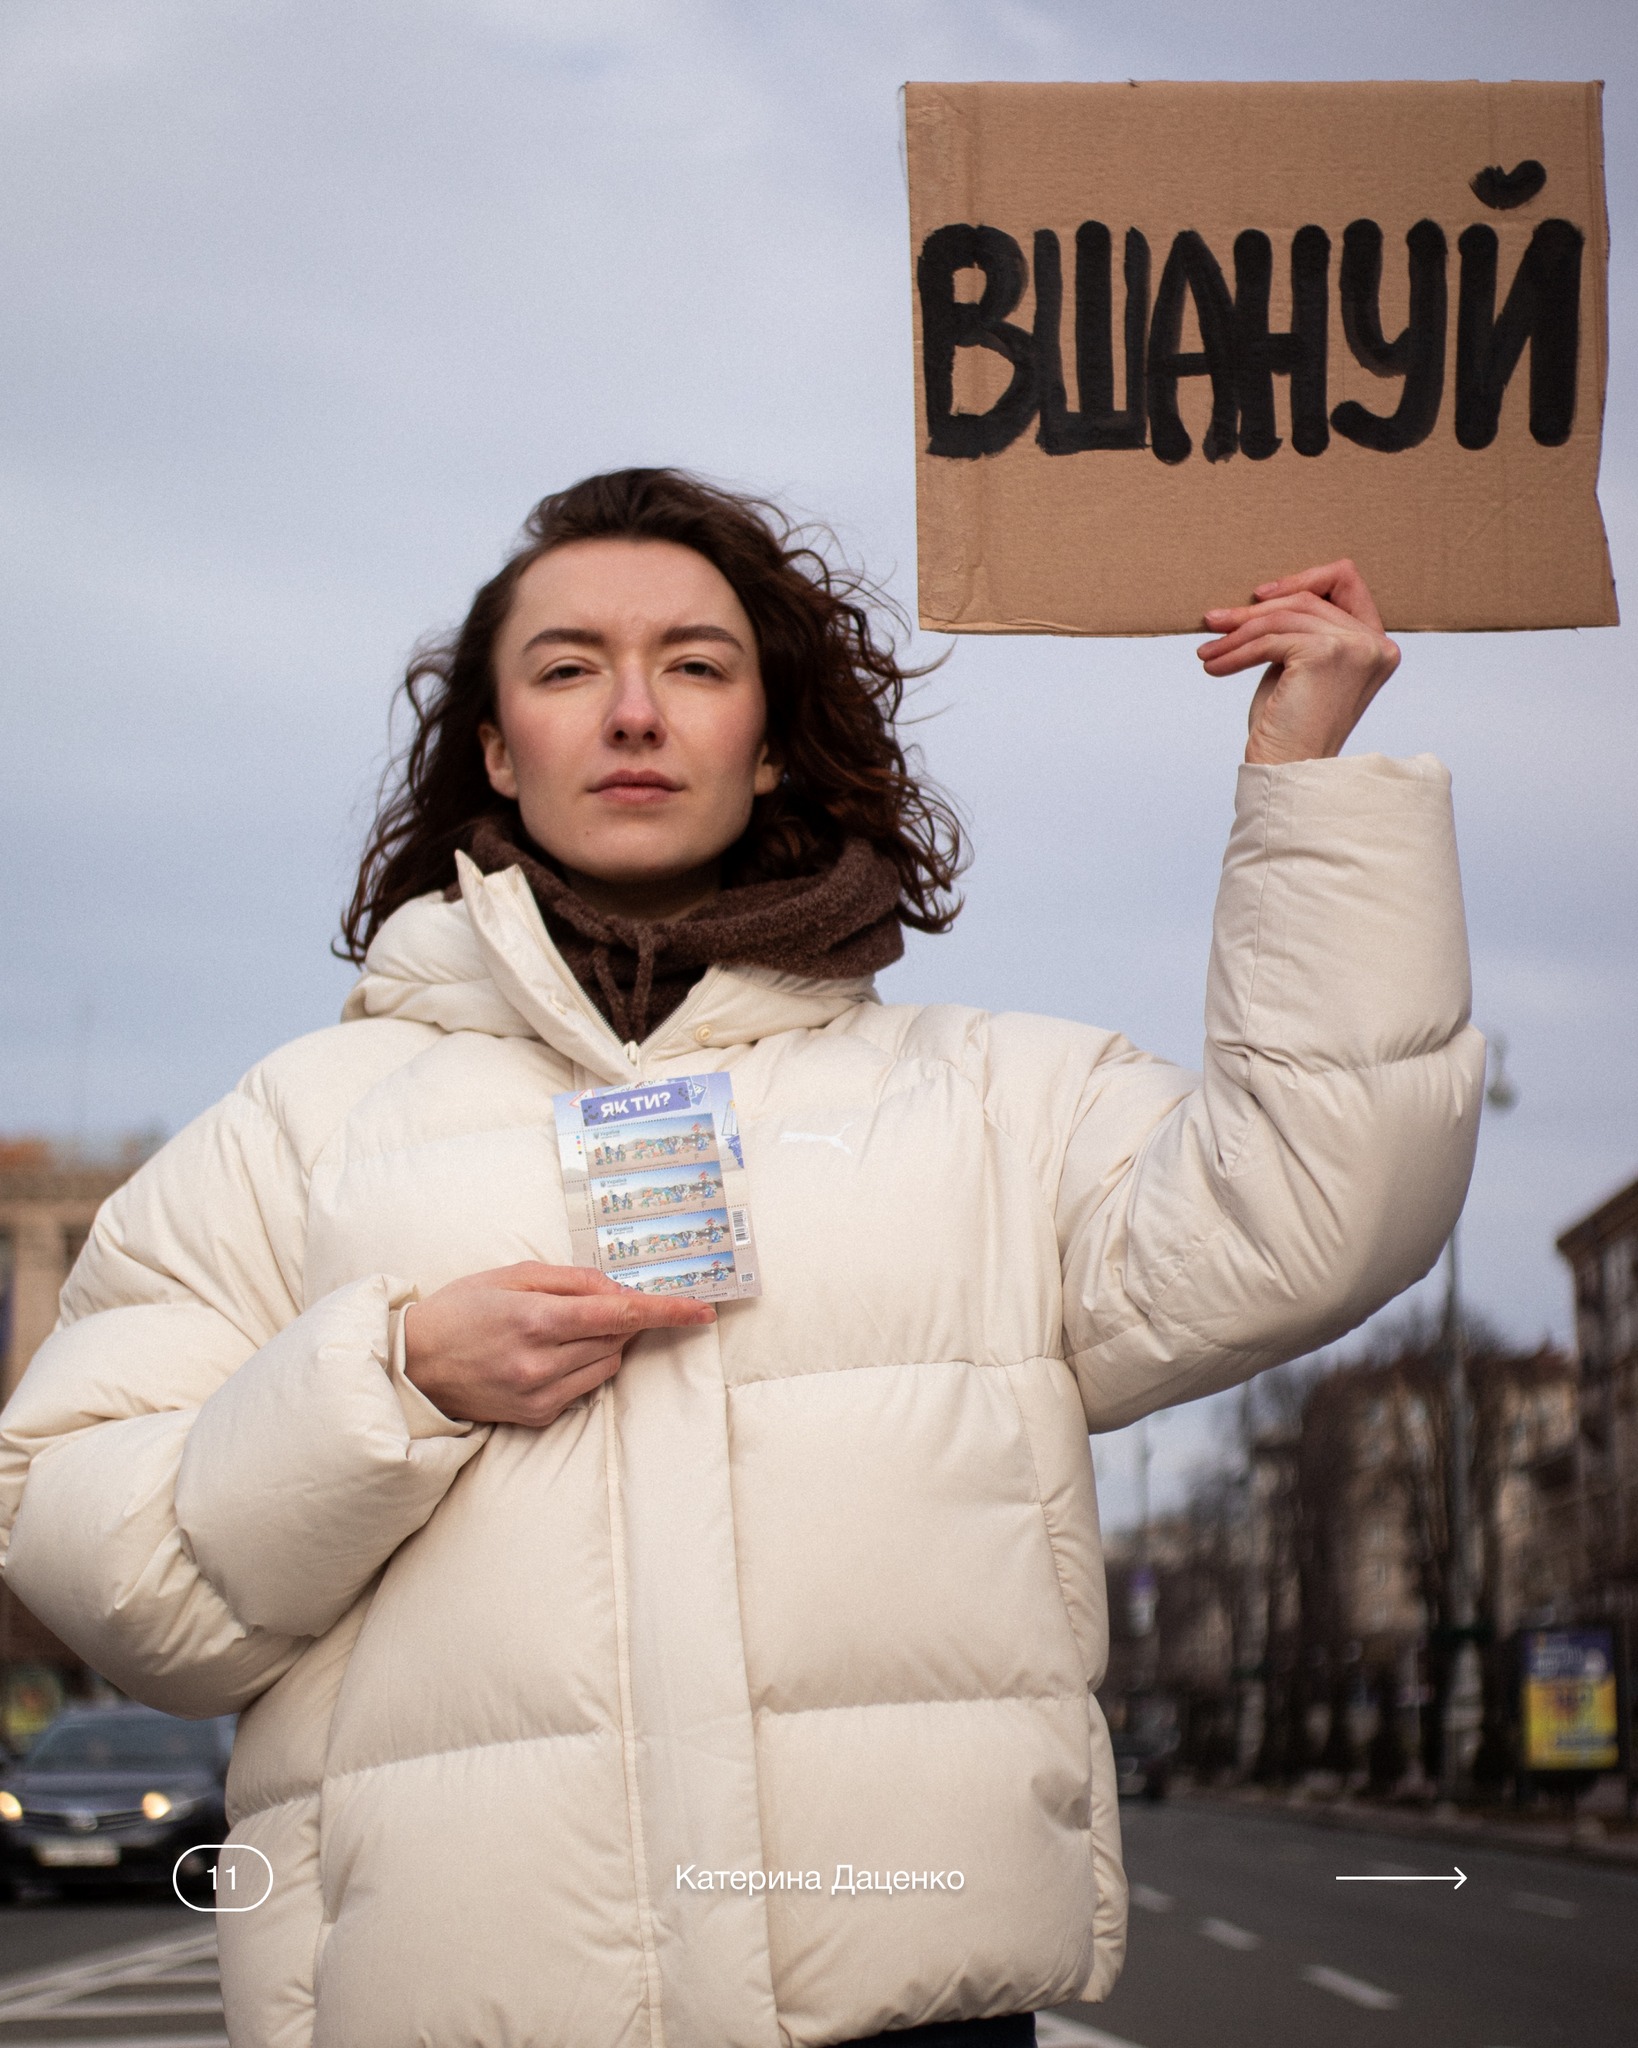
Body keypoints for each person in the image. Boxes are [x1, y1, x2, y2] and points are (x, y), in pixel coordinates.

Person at [0, 469, 1481, 2048]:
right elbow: (98, 1559)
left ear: (768, 740)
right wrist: (387, 1385)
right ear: (496, 748)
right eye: (568, 669)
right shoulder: (300, 1130)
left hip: (899, 2020)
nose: (632, 711)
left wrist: (1304, 777)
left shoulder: (991, 1105)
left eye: (695, 666)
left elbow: (1321, 1209)